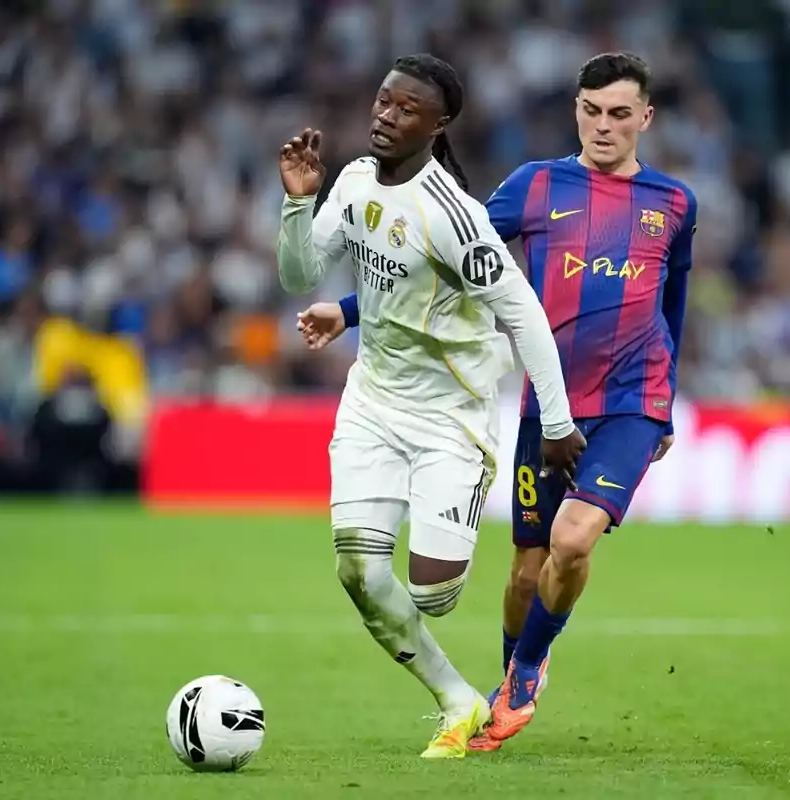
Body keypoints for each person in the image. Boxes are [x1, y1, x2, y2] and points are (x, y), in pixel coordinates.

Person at [296, 52, 698, 751]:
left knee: (573, 540)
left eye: (619, 114)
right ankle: (513, 669)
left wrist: (667, 399)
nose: (603, 126)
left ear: (646, 118)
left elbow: (674, 299)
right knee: (525, 571)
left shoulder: (675, 204)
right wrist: (350, 311)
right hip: (550, 401)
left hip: (633, 398)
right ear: (576, 111)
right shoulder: (535, 185)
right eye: (591, 111)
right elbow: (439, 264)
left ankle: (524, 675)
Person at [275, 53, 586, 759]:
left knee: (432, 595)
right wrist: (297, 204)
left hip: (450, 415)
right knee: (358, 569)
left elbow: (523, 314)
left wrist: (558, 422)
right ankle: (457, 698)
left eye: (407, 109)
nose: (387, 115)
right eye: (383, 101)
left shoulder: (454, 216)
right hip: (373, 402)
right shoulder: (354, 181)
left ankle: (458, 512)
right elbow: (298, 274)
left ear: (438, 124)